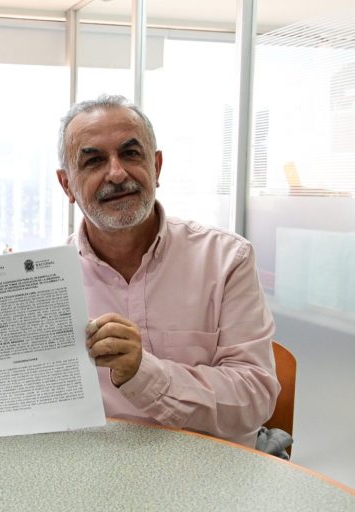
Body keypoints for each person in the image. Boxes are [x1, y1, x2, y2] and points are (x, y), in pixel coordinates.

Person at [54, 94, 280, 447]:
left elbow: (255, 397)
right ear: (66, 184)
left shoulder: (226, 260)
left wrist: (143, 372)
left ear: (156, 167)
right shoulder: (47, 283)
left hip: (210, 472)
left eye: (130, 154)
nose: (116, 173)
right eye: (94, 161)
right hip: (93, 475)